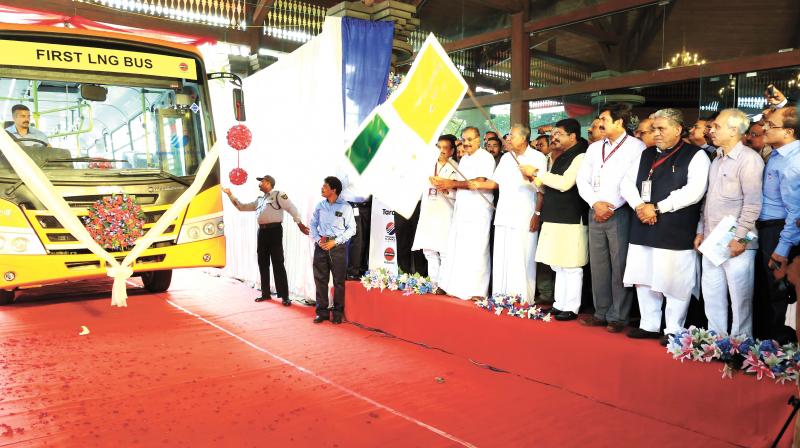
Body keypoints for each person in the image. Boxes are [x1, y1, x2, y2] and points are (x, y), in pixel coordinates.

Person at [621, 108, 711, 344]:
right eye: (653, 129)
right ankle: (649, 324)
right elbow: (627, 183)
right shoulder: (646, 154)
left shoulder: (696, 155)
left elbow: (694, 191)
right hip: (643, 224)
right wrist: (641, 206)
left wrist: (657, 207)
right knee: (644, 276)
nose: (656, 133)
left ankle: (673, 329)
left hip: (675, 227)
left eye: (661, 128)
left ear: (678, 129)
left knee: (674, 280)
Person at [577, 103, 646, 332]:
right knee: (598, 266)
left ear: (619, 122)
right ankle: (601, 312)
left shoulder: (636, 147)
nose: (600, 124)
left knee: (620, 265)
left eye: (605, 119)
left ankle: (618, 316)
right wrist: (595, 204)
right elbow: (582, 180)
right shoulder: (595, 148)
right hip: (595, 210)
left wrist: (611, 206)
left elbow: (632, 182)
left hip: (620, 211)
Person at [695, 109, 764, 338]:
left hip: (737, 243)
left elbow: (753, 204)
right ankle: (716, 341)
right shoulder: (717, 159)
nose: (711, 130)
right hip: (713, 240)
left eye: (716, 126)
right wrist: (701, 231)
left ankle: (740, 345)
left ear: (734, 130)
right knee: (712, 294)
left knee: (740, 298)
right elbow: (708, 201)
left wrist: (740, 238)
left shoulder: (750, 160)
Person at [470, 123, 547, 303]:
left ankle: (522, 299)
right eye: (508, 136)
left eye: (511, 136)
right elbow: (495, 183)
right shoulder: (506, 158)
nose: (508, 139)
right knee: (503, 258)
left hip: (524, 215)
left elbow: (541, 189)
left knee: (522, 258)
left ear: (523, 138)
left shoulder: (537, 157)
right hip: (504, 214)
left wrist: (537, 214)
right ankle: (500, 297)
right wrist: (478, 184)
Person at [521, 118, 588, 320]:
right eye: (554, 133)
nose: (554, 137)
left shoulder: (581, 156)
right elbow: (548, 185)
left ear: (572, 136)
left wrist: (536, 172)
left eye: (558, 133)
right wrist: (534, 180)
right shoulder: (561, 156)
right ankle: (560, 304)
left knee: (571, 265)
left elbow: (565, 183)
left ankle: (572, 307)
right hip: (554, 214)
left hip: (571, 215)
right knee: (557, 264)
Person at [223, 175, 310, 305]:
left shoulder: (278, 195)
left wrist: (299, 223)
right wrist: (230, 195)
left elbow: (292, 208)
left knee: (278, 263)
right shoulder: (260, 200)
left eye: (262, 181)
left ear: (268, 183)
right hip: (262, 232)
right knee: (262, 262)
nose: (259, 184)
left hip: (274, 231)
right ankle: (265, 294)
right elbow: (241, 207)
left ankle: (285, 296)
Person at [433, 126, 496, 300]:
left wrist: (450, 183)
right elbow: (461, 184)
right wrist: (446, 187)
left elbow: (479, 181)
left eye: (470, 139)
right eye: (464, 140)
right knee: (457, 248)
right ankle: (451, 287)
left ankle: (477, 291)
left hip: (478, 211)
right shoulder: (465, 159)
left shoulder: (486, 157)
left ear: (478, 139)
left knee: (477, 250)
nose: (466, 143)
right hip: (462, 209)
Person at [755, 106, 800, 343]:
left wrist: (782, 249)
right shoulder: (776, 154)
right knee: (767, 292)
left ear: (788, 132)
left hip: (780, 230)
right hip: (767, 228)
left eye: (771, 125)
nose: (764, 128)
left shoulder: (794, 162)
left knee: (779, 292)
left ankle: (781, 349)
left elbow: (796, 211)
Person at [412, 135, 458, 289]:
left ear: (452, 151)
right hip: (428, 211)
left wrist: (445, 189)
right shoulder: (427, 166)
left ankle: (444, 284)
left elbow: (460, 194)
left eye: (445, 148)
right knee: (429, 249)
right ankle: (434, 282)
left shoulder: (457, 168)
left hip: (445, 212)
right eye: (439, 147)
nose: (442, 151)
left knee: (444, 250)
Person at [310, 176, 356, 324]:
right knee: (320, 280)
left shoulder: (346, 207)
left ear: (334, 189)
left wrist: (335, 242)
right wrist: (318, 239)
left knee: (338, 282)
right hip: (321, 246)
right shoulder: (320, 206)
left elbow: (352, 230)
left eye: (325, 186)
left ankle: (337, 314)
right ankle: (321, 312)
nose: (321, 189)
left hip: (338, 248)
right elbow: (312, 225)